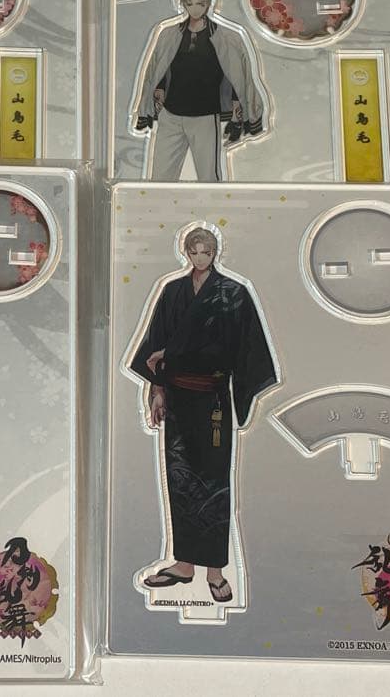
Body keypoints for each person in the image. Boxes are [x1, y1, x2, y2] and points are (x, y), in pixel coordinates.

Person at [128, 227, 277, 603]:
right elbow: (156, 344)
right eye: (194, 252)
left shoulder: (232, 293)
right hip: (178, 399)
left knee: (213, 483)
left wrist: (172, 356)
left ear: (216, 253)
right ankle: (184, 564)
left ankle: (215, 570)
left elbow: (242, 349)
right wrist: (157, 390)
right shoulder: (172, 291)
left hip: (212, 399)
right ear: (185, 253)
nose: (199, 258)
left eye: (206, 252)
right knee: (180, 479)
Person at [132, 0, 267, 181]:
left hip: (205, 115)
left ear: (208, 4)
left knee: (208, 177)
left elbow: (238, 76)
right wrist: (151, 101)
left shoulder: (227, 37)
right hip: (171, 113)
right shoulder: (169, 35)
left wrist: (241, 112)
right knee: (160, 177)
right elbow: (156, 70)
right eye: (190, 4)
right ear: (183, 5)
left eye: (200, 4)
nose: (195, 9)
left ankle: (212, 203)